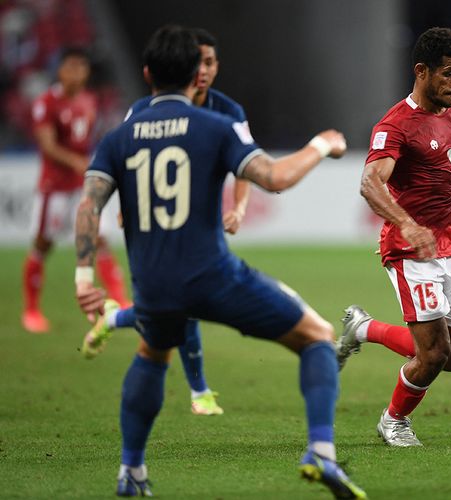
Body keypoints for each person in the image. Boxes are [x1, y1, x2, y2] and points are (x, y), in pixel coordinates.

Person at [73, 25, 366, 498]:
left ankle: (131, 472)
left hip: (152, 283)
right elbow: (274, 176)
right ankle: (321, 452)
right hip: (213, 277)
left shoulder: (118, 136)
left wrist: (84, 276)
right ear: (196, 75)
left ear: (147, 74)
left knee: (151, 354)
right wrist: (320, 146)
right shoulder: (214, 126)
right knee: (318, 337)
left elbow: (89, 206)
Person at [81, 28, 252, 418]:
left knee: (174, 307)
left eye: (210, 62)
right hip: (153, 226)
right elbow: (126, 158)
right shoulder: (143, 110)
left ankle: (115, 318)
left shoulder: (230, 112)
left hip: (201, 224)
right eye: (198, 63)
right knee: (178, 307)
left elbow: (246, 168)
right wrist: (128, 205)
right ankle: (200, 391)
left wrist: (239, 209)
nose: (204, 70)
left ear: (216, 66)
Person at [337, 27, 451, 447]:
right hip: (411, 251)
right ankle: (394, 421)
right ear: (422, 71)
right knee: (433, 355)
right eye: (449, 73)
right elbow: (370, 183)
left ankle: (363, 328)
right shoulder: (395, 125)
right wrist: (408, 224)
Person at [22, 47, 128, 333]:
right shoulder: (46, 102)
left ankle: (120, 299)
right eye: (71, 66)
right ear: (60, 70)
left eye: (82, 67)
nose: (77, 72)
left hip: (82, 186)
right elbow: (47, 144)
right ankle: (31, 310)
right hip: (53, 188)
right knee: (44, 244)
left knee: (100, 239)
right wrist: (76, 162)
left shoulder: (89, 100)